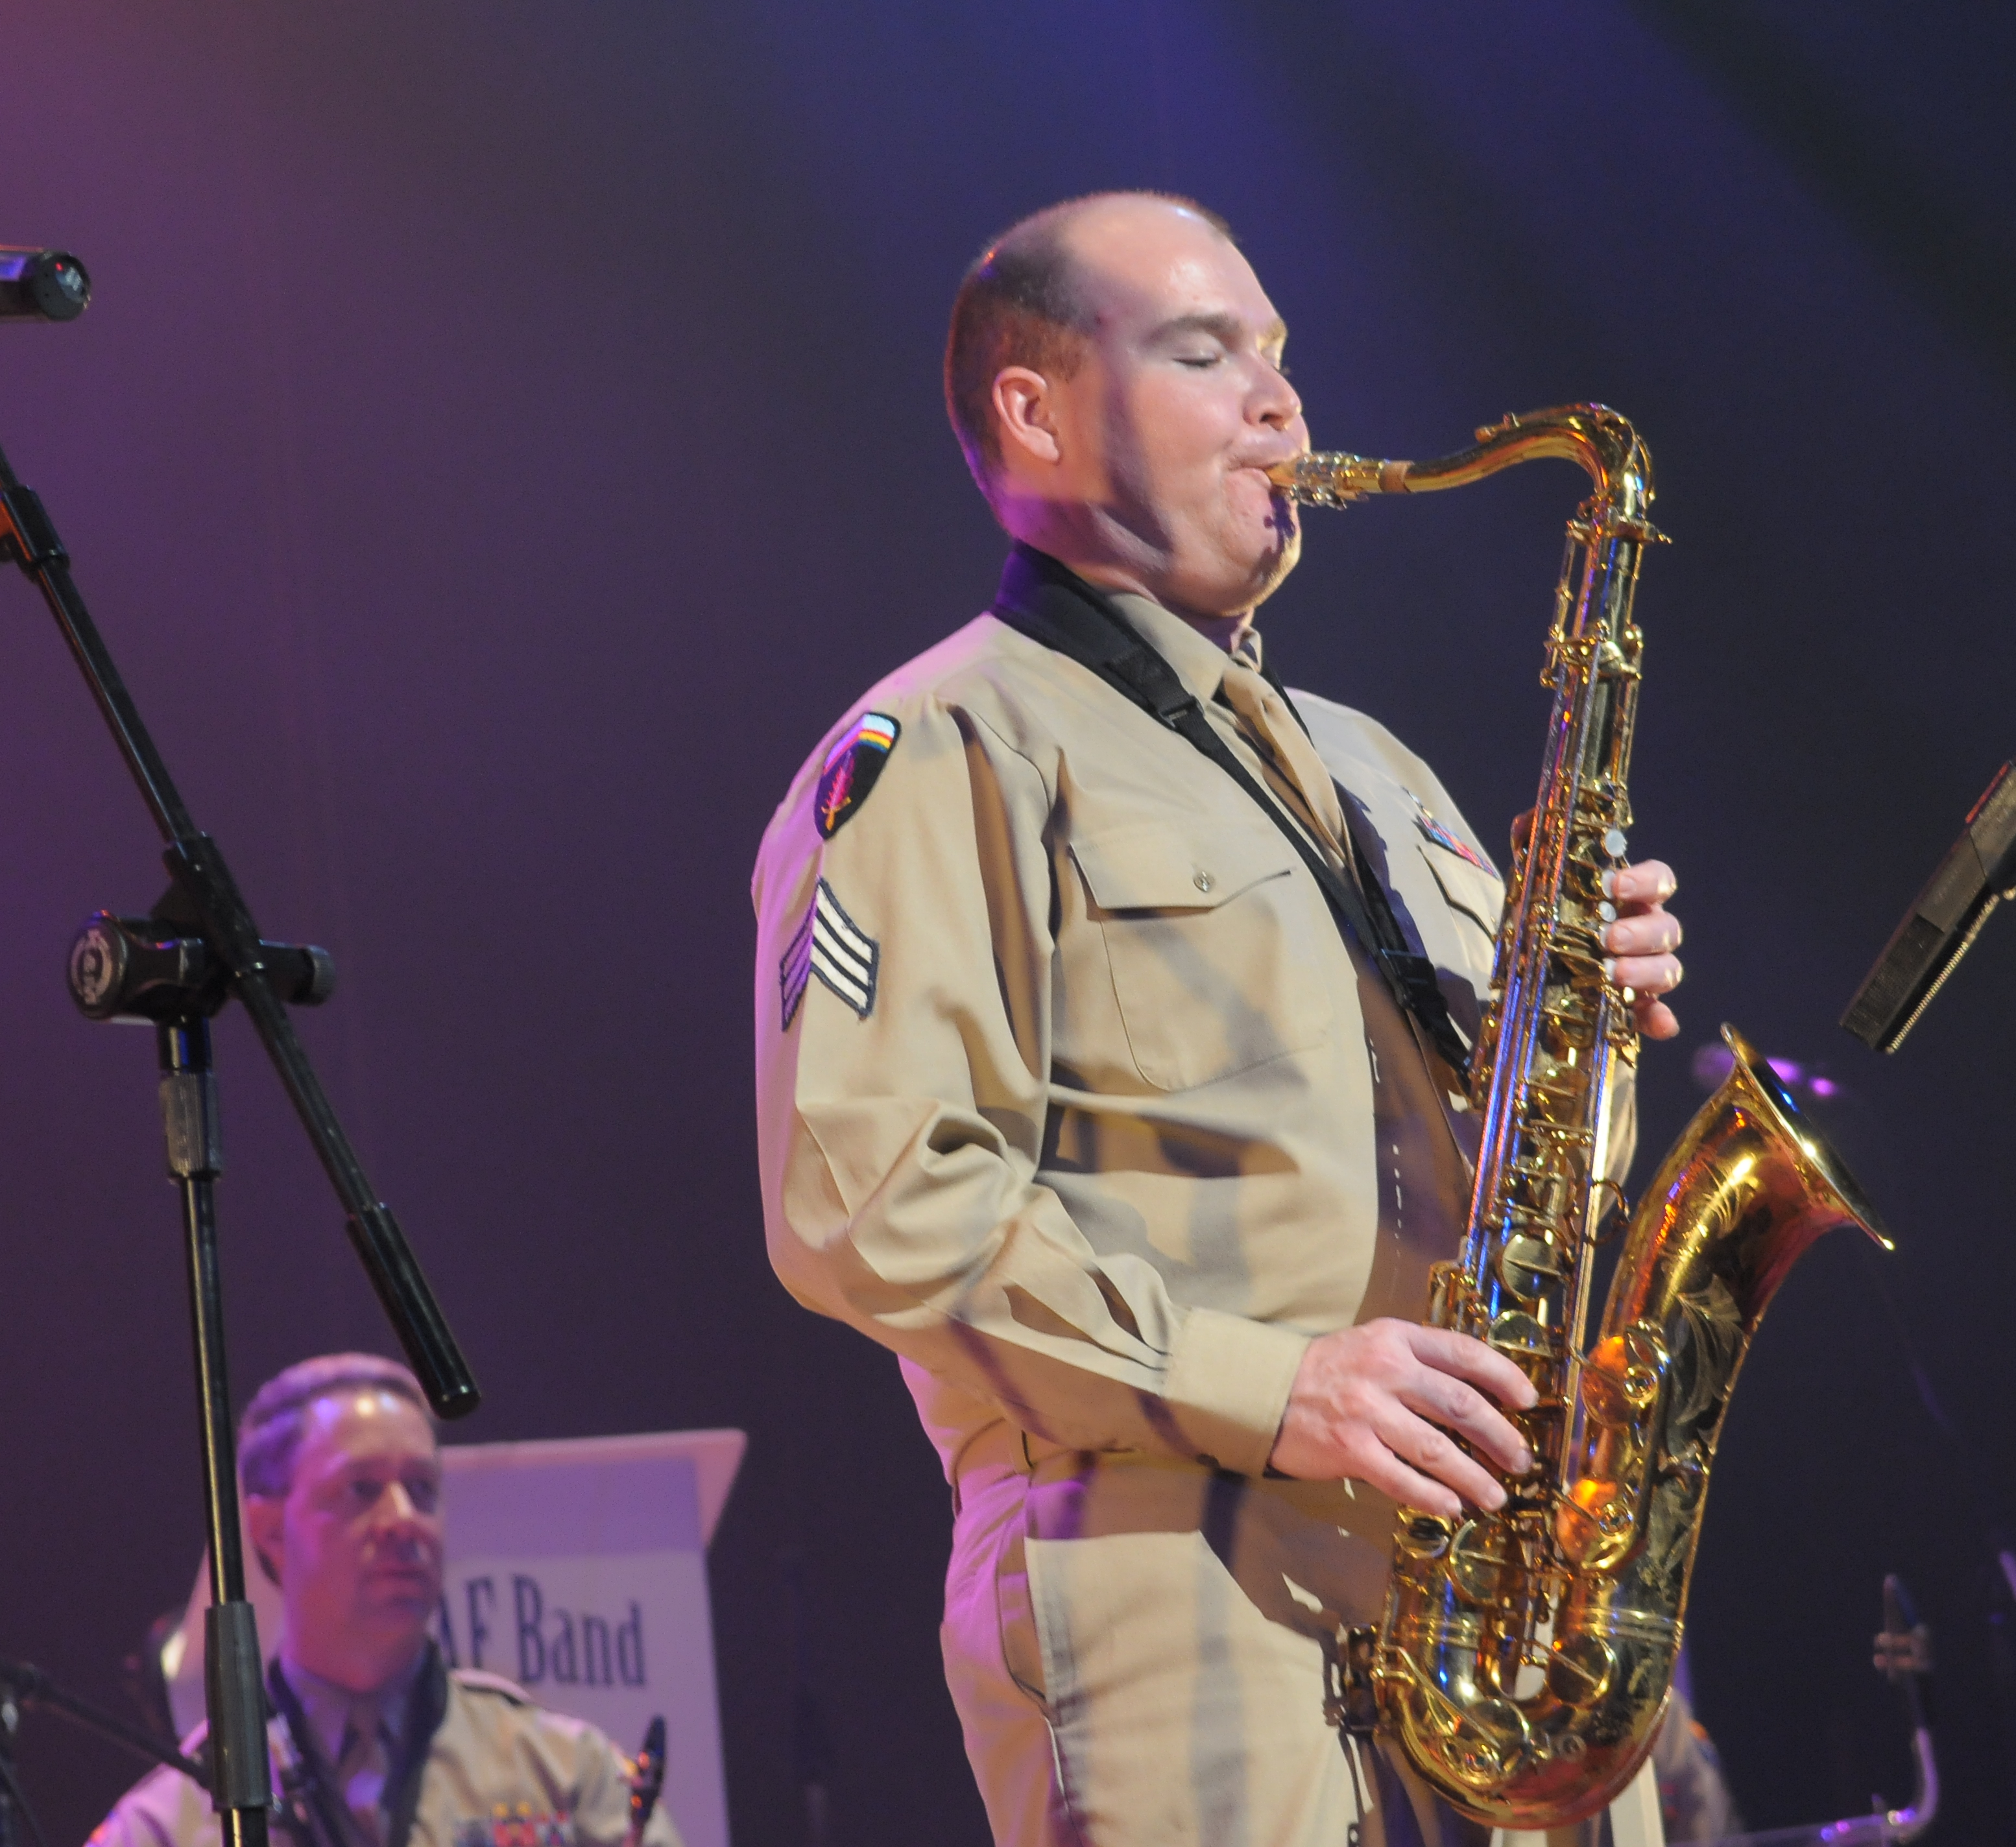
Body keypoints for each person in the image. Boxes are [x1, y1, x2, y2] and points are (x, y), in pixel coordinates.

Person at [751, 191, 1689, 1847]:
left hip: (1492, 1604)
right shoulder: (938, 748)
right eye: (1204, 354)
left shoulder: (1377, 765)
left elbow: (1513, 1171)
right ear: (1034, 412)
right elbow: (864, 1202)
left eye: (1279, 354)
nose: (1281, 404)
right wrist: (1276, 1383)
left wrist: (1579, 1021)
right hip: (1182, 1603)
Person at [90, 1355, 680, 1847]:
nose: (403, 1519)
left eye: (422, 1489)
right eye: (362, 1489)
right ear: (269, 1530)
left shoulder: (567, 1777)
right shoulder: (173, 1823)